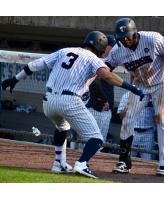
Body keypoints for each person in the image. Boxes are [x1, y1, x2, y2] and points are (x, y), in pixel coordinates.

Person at [1, 30, 144, 179]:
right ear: (99, 47)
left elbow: (36, 65)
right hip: (69, 100)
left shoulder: (65, 50)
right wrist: (133, 88)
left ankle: (59, 163)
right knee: (97, 139)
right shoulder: (94, 59)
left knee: (62, 127)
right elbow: (108, 77)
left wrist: (15, 79)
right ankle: (82, 164)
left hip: (48, 101)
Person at [105, 17, 164, 176]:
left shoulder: (152, 38)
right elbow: (106, 67)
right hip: (140, 84)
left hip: (163, 80)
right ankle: (124, 161)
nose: (125, 41)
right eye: (121, 38)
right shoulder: (117, 50)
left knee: (161, 118)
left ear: (135, 33)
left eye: (128, 37)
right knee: (128, 118)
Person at [86, 35, 116, 142]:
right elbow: (95, 81)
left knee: (99, 143)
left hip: (105, 110)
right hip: (96, 108)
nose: (114, 49)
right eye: (112, 46)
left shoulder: (110, 60)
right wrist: (104, 100)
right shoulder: (97, 59)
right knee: (90, 142)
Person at [117, 91, 156, 161]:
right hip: (131, 132)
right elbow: (121, 116)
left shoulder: (153, 96)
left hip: (148, 133)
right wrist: (127, 110)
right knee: (127, 160)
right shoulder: (127, 95)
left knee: (147, 161)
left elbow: (158, 117)